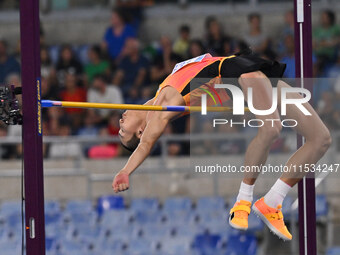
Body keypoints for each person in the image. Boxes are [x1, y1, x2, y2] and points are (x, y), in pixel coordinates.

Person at [111, 51, 331, 241]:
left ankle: (273, 200)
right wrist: (125, 171)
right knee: (271, 127)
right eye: (123, 132)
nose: (120, 122)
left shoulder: (161, 93)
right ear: (140, 131)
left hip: (247, 71)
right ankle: (243, 201)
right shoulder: (161, 112)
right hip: (237, 74)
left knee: (320, 138)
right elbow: (146, 144)